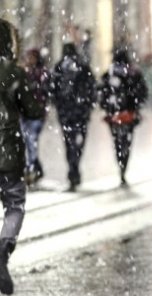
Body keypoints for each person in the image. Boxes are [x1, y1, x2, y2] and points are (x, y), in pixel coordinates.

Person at [0, 19, 43, 294]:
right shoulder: (15, 74)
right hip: (9, 153)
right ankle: (2, 250)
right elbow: (34, 111)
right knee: (15, 204)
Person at [50, 43, 97, 192]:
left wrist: (59, 106)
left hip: (66, 113)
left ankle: (72, 169)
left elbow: (53, 90)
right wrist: (88, 106)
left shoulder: (59, 67)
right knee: (78, 143)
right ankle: (74, 168)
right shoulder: (83, 67)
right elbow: (92, 88)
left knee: (69, 142)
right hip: (80, 113)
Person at [99, 49, 148, 186]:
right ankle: (123, 166)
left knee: (117, 142)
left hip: (114, 115)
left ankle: (120, 162)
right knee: (126, 142)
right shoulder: (133, 73)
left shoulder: (109, 73)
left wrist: (107, 107)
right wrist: (135, 107)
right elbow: (142, 92)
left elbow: (102, 92)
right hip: (129, 115)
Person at [21, 48, 50, 186]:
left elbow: (45, 92)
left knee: (31, 142)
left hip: (36, 115)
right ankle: (34, 169)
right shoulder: (25, 73)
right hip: (25, 114)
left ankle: (31, 170)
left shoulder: (41, 73)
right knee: (27, 142)